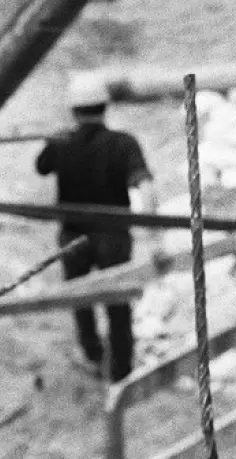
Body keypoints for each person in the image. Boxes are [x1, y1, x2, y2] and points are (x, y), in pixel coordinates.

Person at [36, 73, 156, 382]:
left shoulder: (61, 142)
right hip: (113, 236)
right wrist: (153, 230)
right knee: (117, 302)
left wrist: (54, 139)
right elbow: (145, 185)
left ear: (73, 110)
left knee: (81, 298)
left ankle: (92, 355)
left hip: (73, 236)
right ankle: (122, 369)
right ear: (105, 107)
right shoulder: (123, 143)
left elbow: (41, 167)